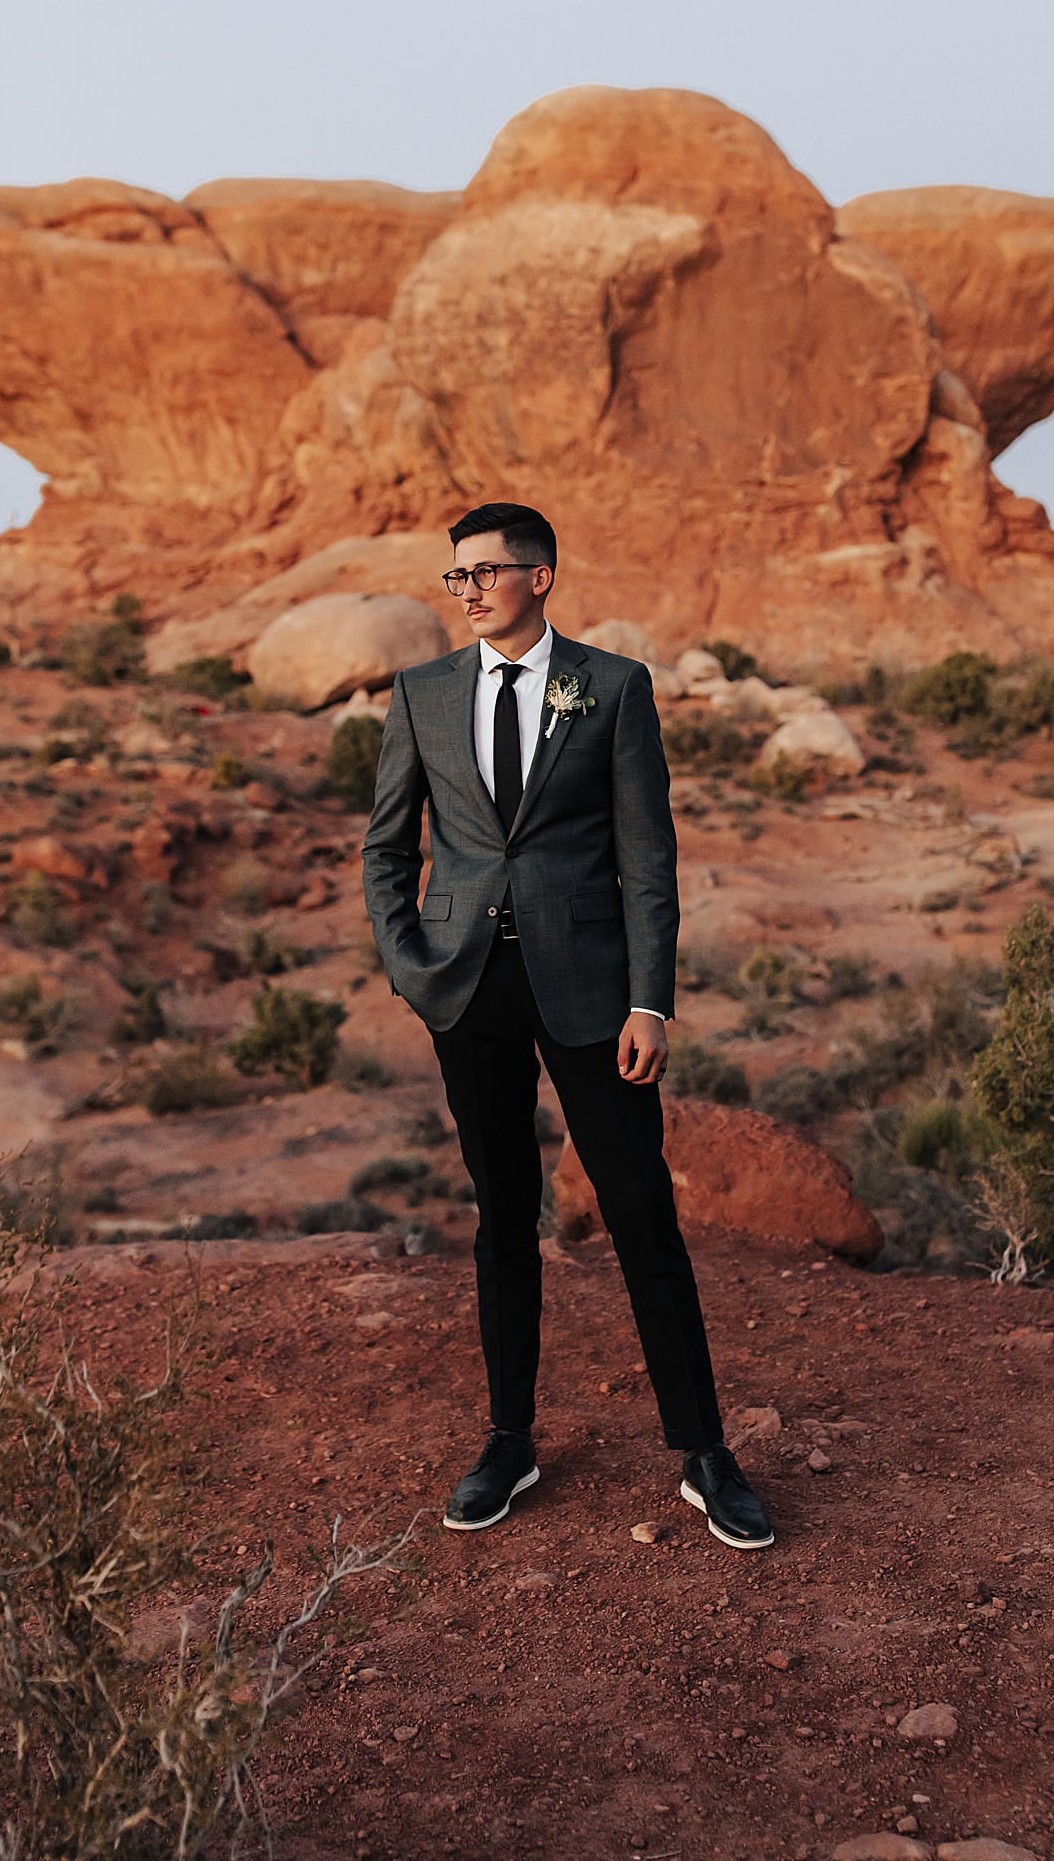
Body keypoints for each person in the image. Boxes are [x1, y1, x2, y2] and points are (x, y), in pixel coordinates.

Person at [362, 501, 773, 1551]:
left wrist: (651, 998)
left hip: (594, 992)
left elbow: (648, 857)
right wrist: (410, 963)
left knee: (641, 1214)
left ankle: (704, 1453)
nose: (469, 592)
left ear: (540, 577)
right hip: (465, 987)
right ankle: (509, 1439)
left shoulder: (614, 686)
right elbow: (386, 848)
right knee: (503, 1215)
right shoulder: (421, 693)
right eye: (456, 578)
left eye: (487, 573)